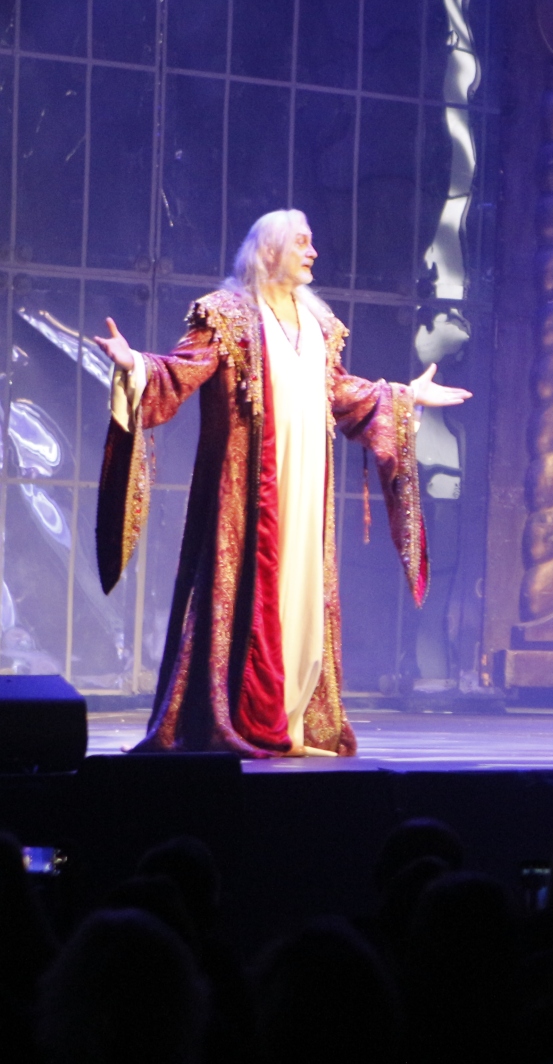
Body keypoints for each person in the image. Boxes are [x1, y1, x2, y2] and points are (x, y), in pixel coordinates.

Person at [91, 209, 470, 757]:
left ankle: (291, 715)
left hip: (306, 484)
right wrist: (136, 366)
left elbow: (341, 393)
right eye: (302, 242)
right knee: (250, 586)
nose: (313, 252)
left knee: (301, 589)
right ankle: (243, 714)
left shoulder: (319, 324)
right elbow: (181, 370)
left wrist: (406, 396)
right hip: (247, 490)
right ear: (270, 250)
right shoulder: (226, 315)